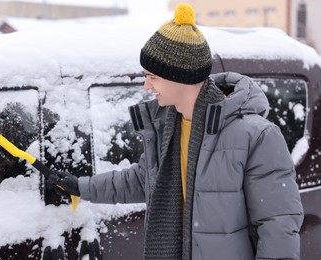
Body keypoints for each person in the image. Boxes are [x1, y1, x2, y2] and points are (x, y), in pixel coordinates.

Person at [47, 3, 304, 260]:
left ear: (180, 76)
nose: (147, 85)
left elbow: (278, 226)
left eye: (153, 77)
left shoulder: (255, 136)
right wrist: (80, 187)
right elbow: (140, 180)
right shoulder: (166, 128)